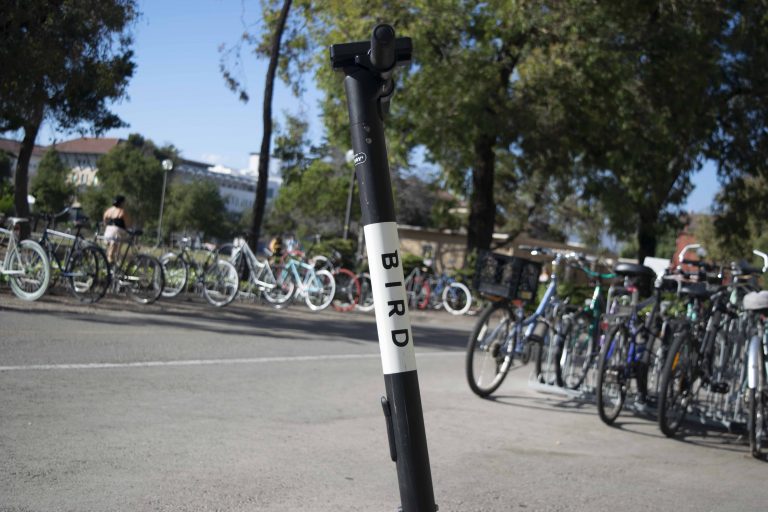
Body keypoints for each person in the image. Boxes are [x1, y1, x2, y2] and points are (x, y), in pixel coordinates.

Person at [103, 195, 130, 263]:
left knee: (110, 249)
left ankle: (109, 261)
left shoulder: (109, 210)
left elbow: (105, 220)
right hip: (117, 232)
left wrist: (106, 225)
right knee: (114, 252)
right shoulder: (122, 211)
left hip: (108, 230)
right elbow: (127, 224)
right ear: (121, 203)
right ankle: (115, 259)